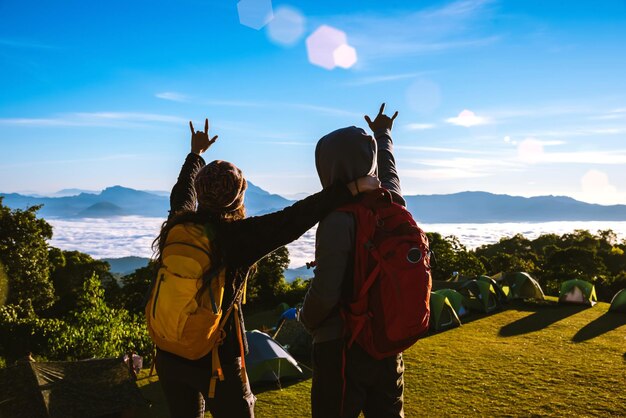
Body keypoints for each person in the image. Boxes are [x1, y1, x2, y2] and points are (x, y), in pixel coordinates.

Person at [153, 118, 380, 418]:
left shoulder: (178, 223)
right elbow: (293, 219)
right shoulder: (235, 239)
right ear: (237, 198)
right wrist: (350, 189)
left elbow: (182, 190)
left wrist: (195, 154)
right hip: (216, 358)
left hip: (168, 352)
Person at [300, 104, 406, 418]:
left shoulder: (337, 219)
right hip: (387, 342)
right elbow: (389, 172)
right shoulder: (391, 202)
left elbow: (326, 291)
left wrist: (306, 319)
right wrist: (383, 134)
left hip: (342, 348)